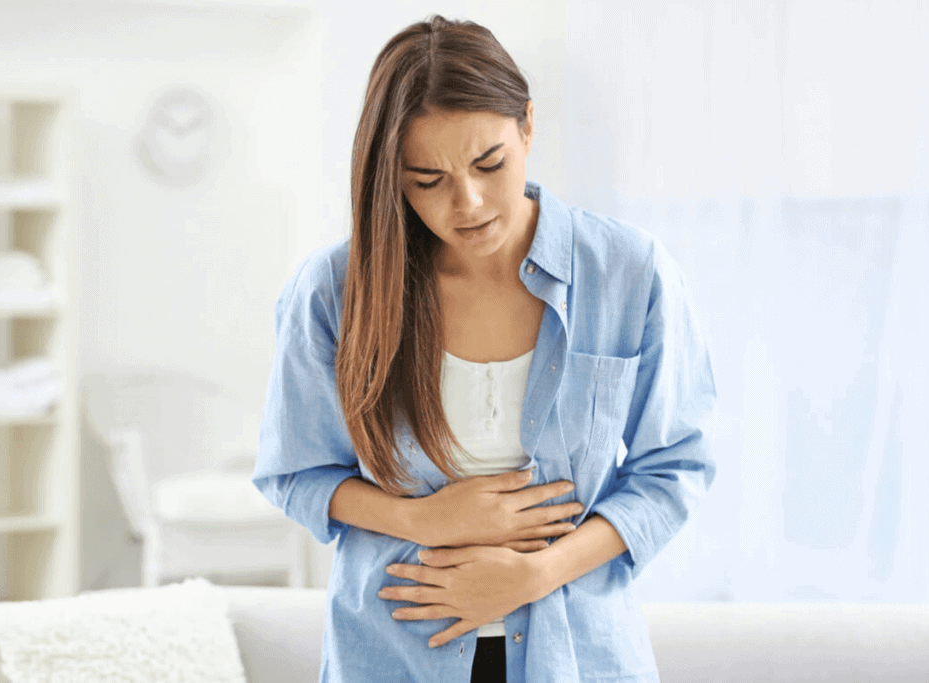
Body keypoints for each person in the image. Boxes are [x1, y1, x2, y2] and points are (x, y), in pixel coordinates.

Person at [252, 14, 717, 683]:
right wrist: (421, 518)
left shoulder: (628, 271)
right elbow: (294, 471)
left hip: (577, 657)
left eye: (487, 162)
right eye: (426, 179)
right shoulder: (334, 290)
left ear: (527, 126)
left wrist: (535, 573)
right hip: (391, 654)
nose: (465, 202)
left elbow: (675, 467)